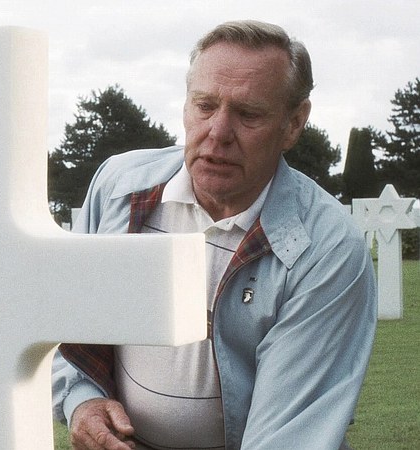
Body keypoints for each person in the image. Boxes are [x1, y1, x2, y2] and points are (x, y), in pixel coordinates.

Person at [51, 20, 377, 450]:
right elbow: (68, 317)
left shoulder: (327, 248)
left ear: (294, 123)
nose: (218, 133)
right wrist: (82, 400)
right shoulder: (118, 187)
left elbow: (286, 438)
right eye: (204, 106)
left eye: (248, 115)